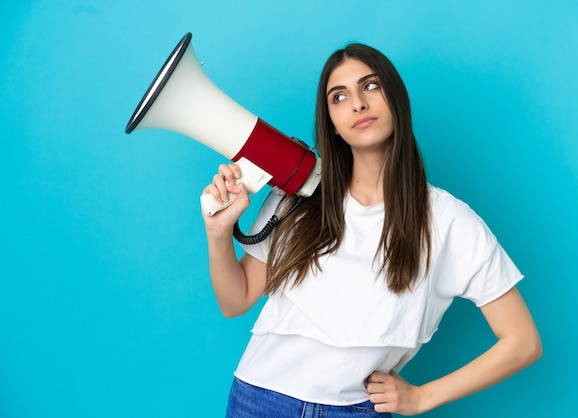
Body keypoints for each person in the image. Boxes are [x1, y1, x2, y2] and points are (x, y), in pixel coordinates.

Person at [201, 43, 542, 417]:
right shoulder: (299, 195)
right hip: (258, 400)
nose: (357, 104)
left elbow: (523, 342)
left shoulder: (448, 220)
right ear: (331, 122)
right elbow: (236, 301)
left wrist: (423, 397)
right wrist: (218, 234)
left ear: (396, 98)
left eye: (371, 86)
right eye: (339, 96)